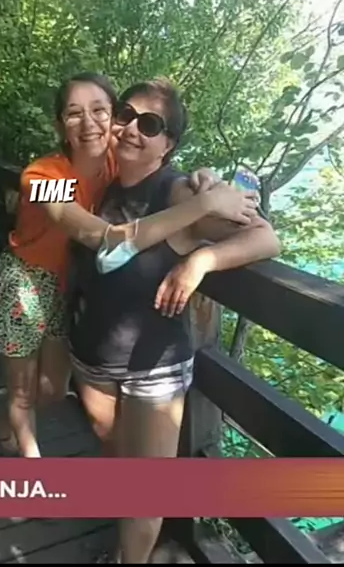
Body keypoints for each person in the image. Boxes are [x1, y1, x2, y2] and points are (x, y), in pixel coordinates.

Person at [0, 72, 256, 459]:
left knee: (53, 390)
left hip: (67, 286)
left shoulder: (112, 164)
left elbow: (154, 167)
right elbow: (104, 238)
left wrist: (203, 179)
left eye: (99, 110)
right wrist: (203, 204)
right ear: (60, 125)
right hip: (25, 282)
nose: (89, 123)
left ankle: (4, 422)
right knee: (24, 394)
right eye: (74, 113)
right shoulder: (42, 177)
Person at [67, 78, 281, 564]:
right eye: (126, 115)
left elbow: (266, 238)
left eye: (150, 124)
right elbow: (54, 204)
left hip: (153, 367)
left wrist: (201, 261)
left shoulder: (179, 190)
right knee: (119, 465)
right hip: (92, 359)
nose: (132, 129)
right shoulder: (98, 178)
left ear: (168, 145)